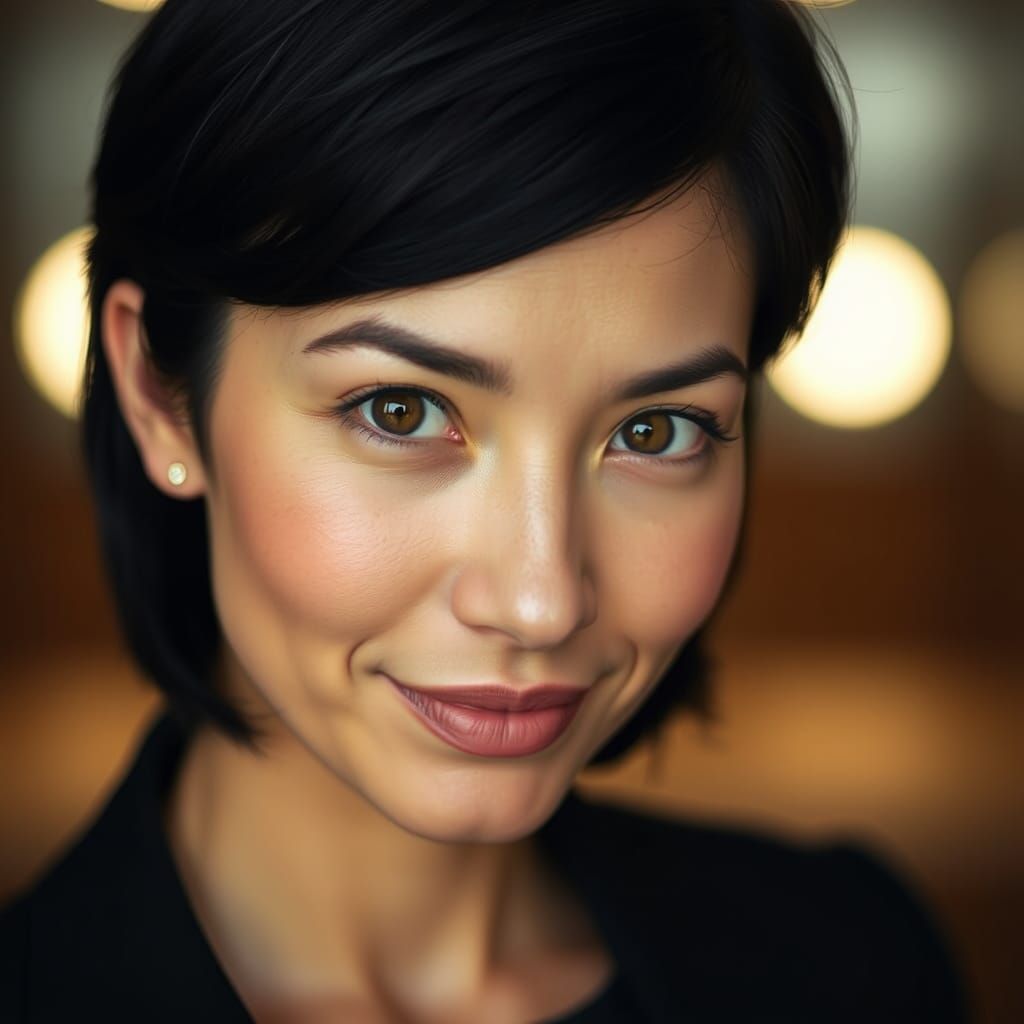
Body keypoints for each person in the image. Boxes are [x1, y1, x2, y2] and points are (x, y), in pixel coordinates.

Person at [0, 1, 969, 1021]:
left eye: (654, 432)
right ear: (161, 396)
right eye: (402, 410)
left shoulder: (852, 969)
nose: (540, 600)